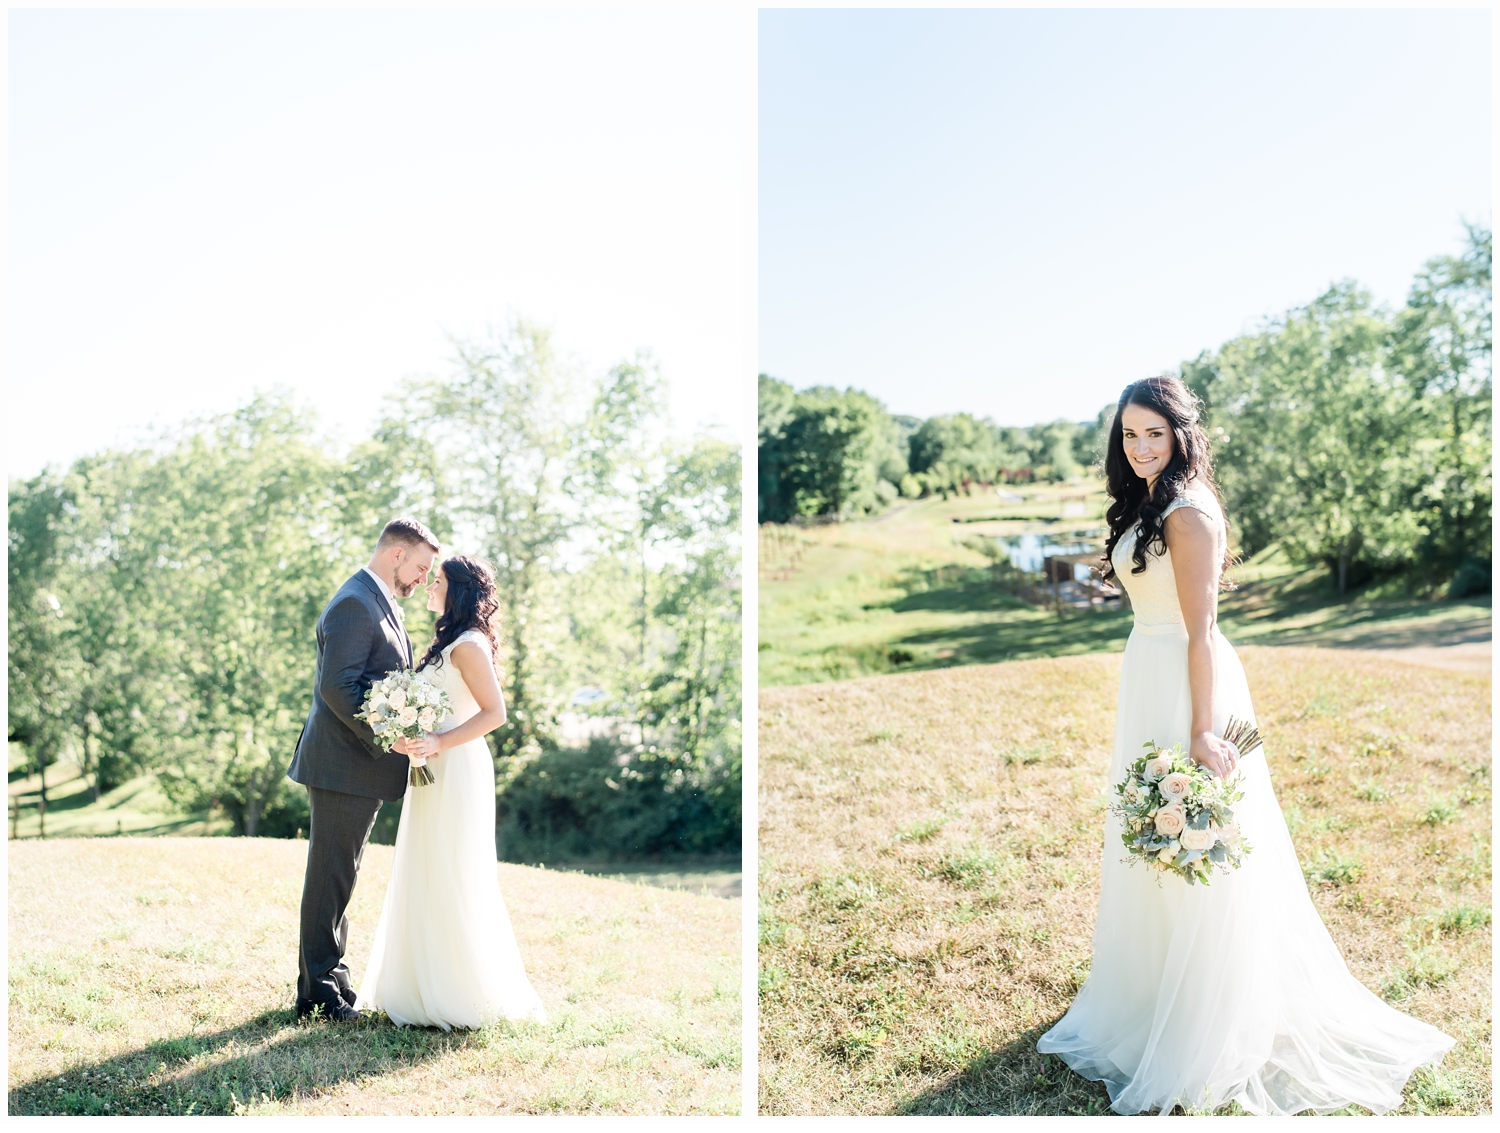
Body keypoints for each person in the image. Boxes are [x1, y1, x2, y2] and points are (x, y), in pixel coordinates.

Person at [1036, 375, 1453, 1115]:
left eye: (1153, 433)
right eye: (1129, 434)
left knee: (1198, 838)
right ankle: (1153, 988)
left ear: (1181, 434)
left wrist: (1202, 728)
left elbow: (1201, 631)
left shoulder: (1190, 512)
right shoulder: (1152, 498)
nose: (1139, 447)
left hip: (1188, 680)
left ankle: (1206, 1014)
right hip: (1150, 673)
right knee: (1150, 836)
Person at [355, 554, 548, 1029]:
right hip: (430, 768)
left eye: (435, 580)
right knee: (425, 867)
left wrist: (439, 739)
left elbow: (494, 713)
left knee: (453, 869)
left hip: (457, 767)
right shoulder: (448, 643)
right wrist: (407, 732)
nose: (427, 586)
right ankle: (419, 986)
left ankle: (461, 992)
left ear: (457, 590)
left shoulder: (468, 645)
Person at [288, 517, 441, 1022]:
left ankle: (332, 983)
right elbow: (338, 687)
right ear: (397, 554)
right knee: (330, 876)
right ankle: (319, 997)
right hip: (343, 766)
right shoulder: (356, 603)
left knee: (340, 876)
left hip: (354, 768)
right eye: (421, 566)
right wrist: (390, 736)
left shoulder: (378, 600)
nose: (423, 579)